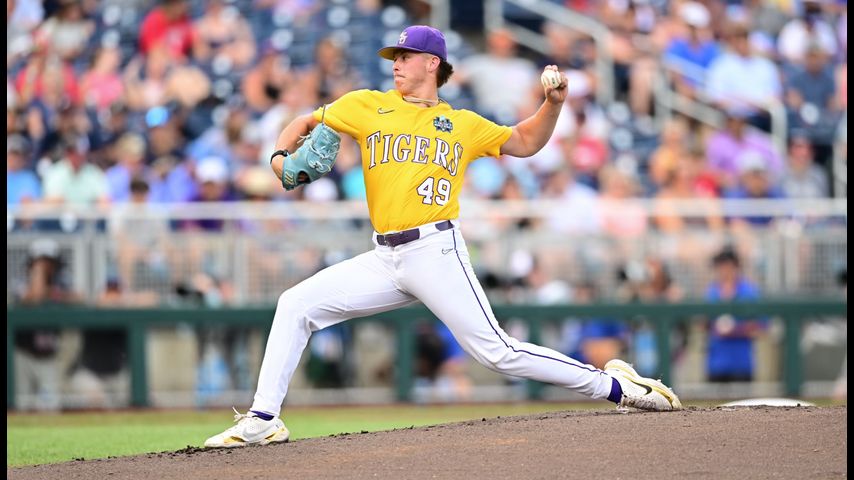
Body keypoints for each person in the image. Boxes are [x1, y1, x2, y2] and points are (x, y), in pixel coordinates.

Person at [204, 25, 682, 448]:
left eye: (405, 57)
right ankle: (263, 418)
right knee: (295, 304)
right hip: (383, 257)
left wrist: (552, 106)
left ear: (432, 63)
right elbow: (305, 121)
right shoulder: (365, 105)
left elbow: (526, 142)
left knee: (496, 351)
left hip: (435, 250)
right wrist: (280, 160)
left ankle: (617, 388)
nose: (396, 64)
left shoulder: (462, 124)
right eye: (394, 57)